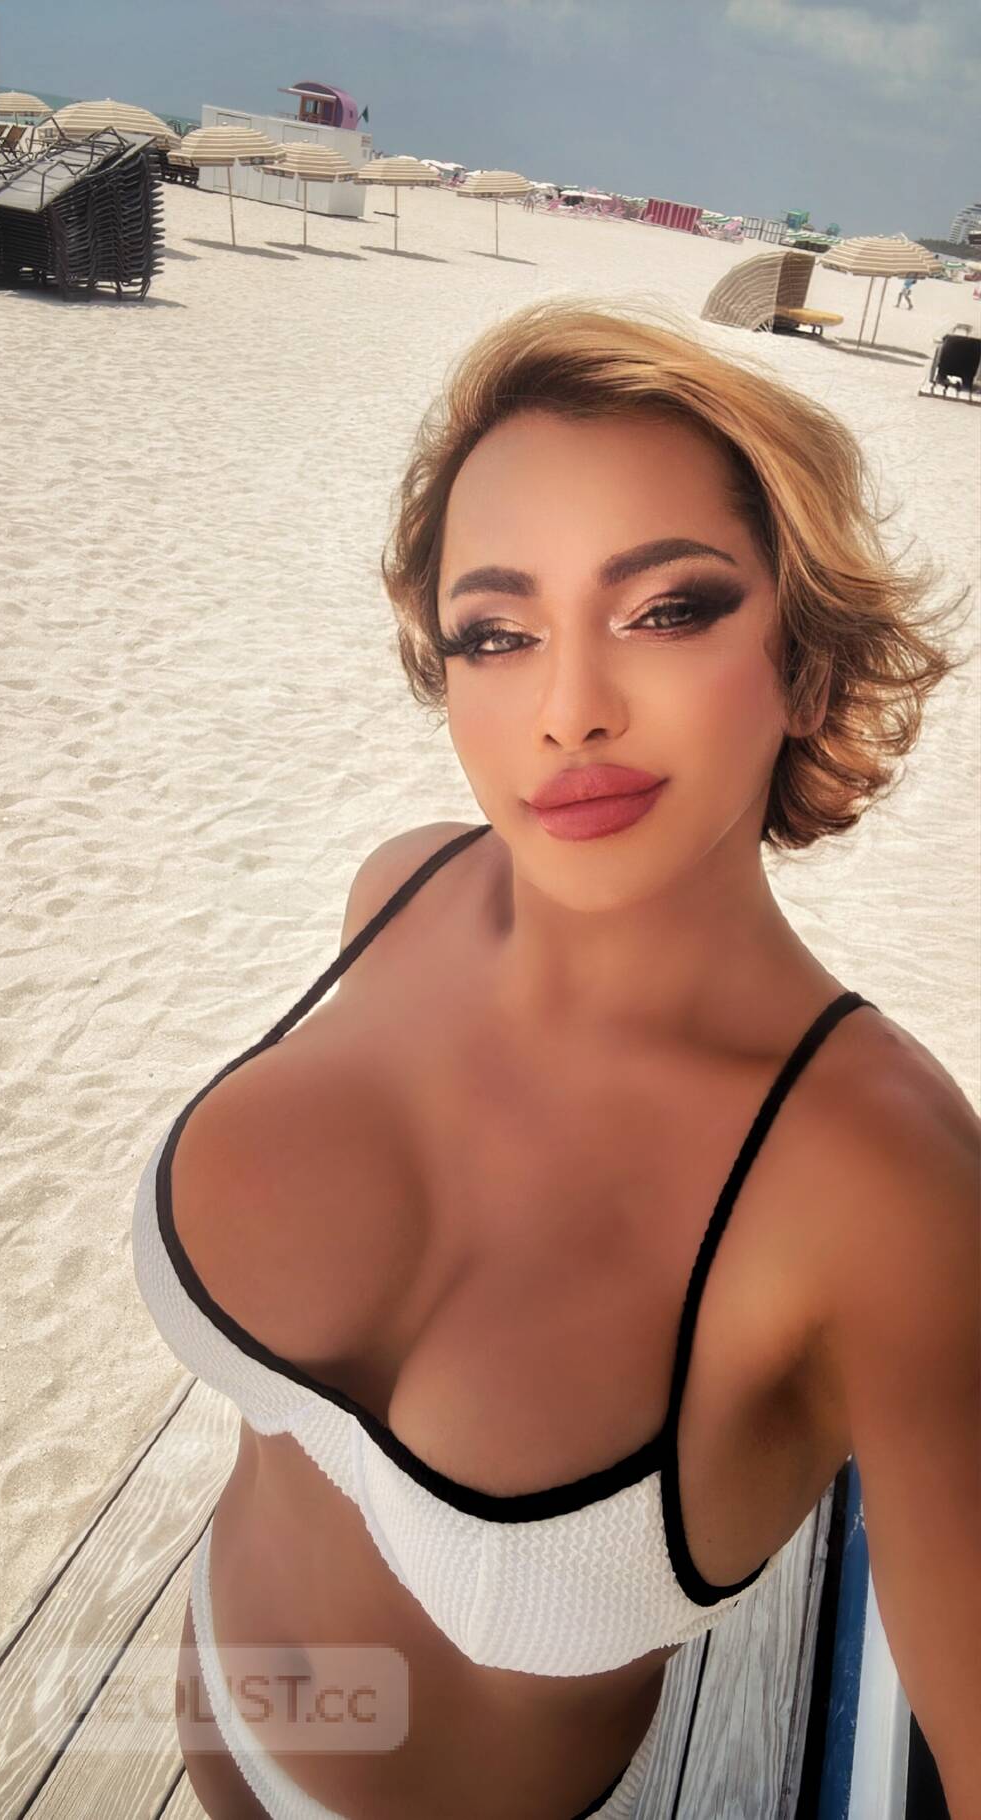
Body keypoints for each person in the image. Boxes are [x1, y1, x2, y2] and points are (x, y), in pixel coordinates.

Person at [133, 297, 980, 1820]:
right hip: (197, 1689)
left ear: (806, 664)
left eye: (667, 609)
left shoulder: (886, 1185)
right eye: (497, 633)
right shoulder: (398, 891)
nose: (569, 710)